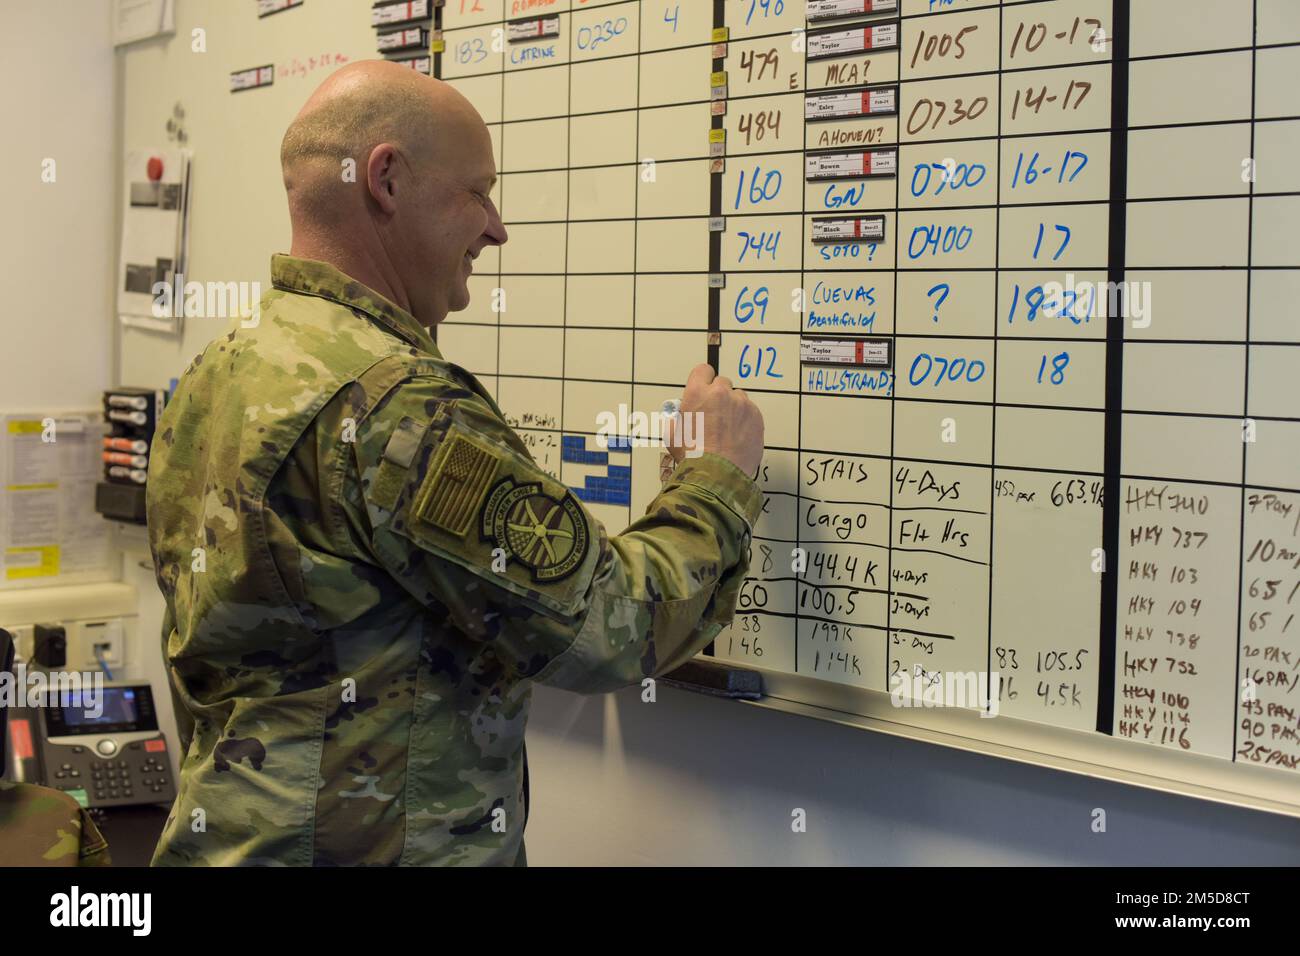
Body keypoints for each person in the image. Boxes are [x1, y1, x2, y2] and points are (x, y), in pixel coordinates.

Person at [145, 61, 766, 866]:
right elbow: (609, 628)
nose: (497, 228)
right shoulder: (397, 406)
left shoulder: (220, 369)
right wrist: (714, 482)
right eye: (477, 192)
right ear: (387, 179)